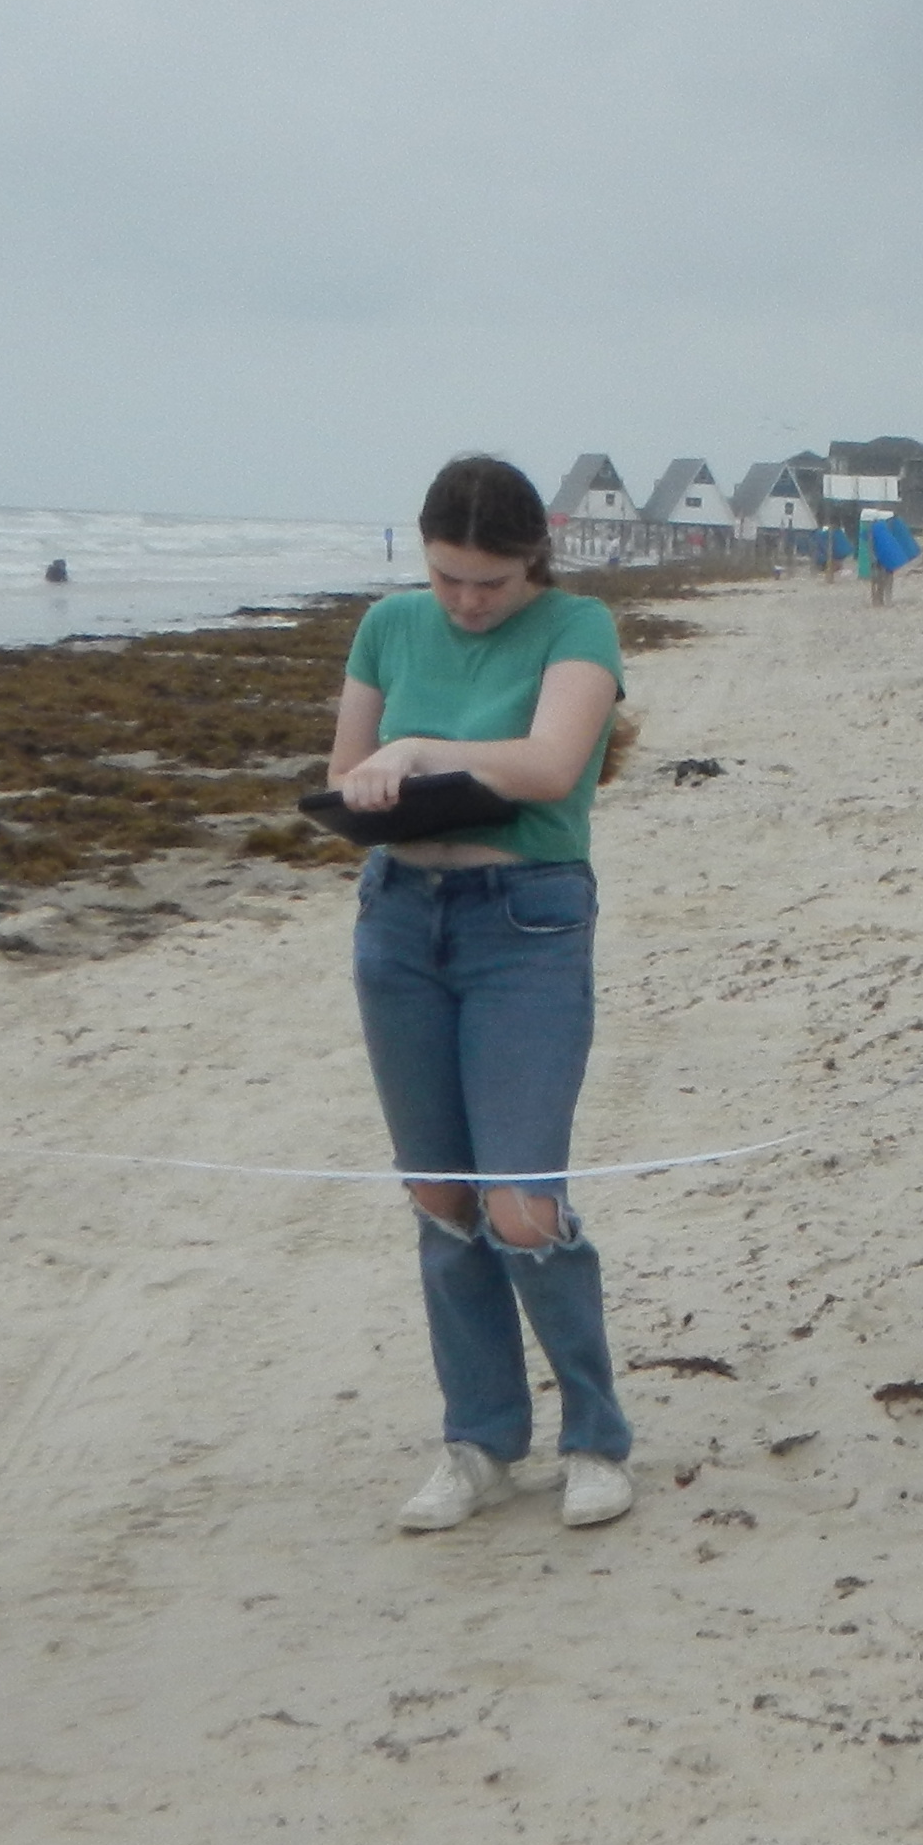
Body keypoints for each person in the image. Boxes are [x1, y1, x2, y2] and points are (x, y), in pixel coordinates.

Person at [333, 455, 639, 1532]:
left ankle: (596, 1435)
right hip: (402, 917)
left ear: (533, 564)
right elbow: (345, 773)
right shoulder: (388, 627)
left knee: (521, 1201)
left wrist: (418, 749)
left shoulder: (578, 628)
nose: (467, 602)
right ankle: (479, 1438)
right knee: (442, 1199)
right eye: (448, 578)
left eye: (490, 583)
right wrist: (376, 780)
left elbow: (554, 767)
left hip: (530, 922)